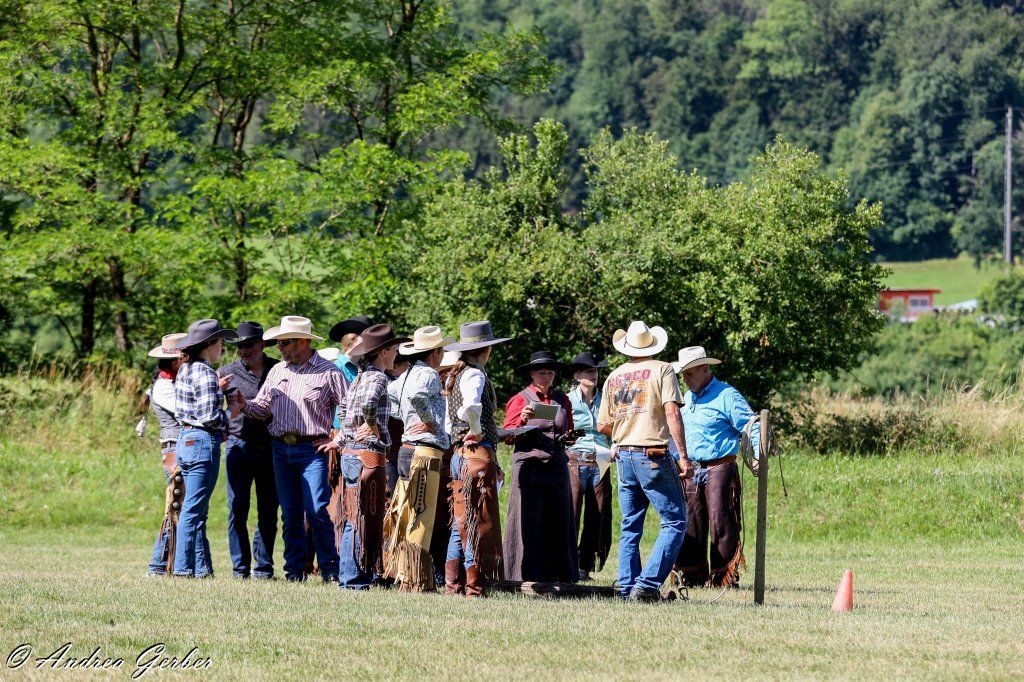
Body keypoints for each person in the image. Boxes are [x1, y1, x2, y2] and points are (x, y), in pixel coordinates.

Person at [232, 315, 346, 583]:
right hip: (280, 449)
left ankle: (330, 568)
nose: (280, 347)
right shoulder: (278, 371)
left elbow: (351, 409)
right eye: (279, 343)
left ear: (304, 341)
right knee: (291, 513)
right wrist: (244, 404)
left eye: (285, 342)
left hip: (312, 450)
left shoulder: (329, 372)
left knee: (317, 510)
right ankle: (294, 571)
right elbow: (262, 408)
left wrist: (339, 439)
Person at [596, 320, 692, 602]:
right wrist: (683, 456)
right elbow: (672, 412)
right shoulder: (662, 369)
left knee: (630, 524)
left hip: (623, 455)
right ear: (652, 344)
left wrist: (629, 430)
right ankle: (647, 585)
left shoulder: (613, 376)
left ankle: (627, 588)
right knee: (674, 521)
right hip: (652, 455)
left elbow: (603, 425)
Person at [670, 346, 760, 589]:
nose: (685, 378)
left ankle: (723, 577)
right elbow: (673, 432)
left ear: (705, 368)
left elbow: (753, 426)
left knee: (721, 521)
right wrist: (675, 457)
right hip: (689, 467)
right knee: (691, 521)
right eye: (683, 374)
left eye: (690, 373)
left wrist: (758, 457)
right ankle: (692, 576)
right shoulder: (684, 399)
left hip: (719, 466)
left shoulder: (727, 395)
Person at [334, 324, 409, 590]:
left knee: (354, 518)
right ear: (384, 351)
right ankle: (355, 580)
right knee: (362, 518)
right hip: (367, 453)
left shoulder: (360, 376)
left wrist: (349, 430)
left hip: (352, 451)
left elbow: (343, 407)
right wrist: (372, 423)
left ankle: (349, 578)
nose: (397, 354)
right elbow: (367, 404)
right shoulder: (376, 378)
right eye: (395, 350)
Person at [383, 325, 454, 592]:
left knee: (405, 513)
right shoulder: (428, 374)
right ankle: (413, 579)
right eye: (442, 349)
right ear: (435, 352)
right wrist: (427, 422)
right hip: (425, 451)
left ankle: (402, 572)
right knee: (421, 517)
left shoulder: (406, 374)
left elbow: (390, 399)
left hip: (406, 450)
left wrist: (407, 419)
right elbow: (416, 396)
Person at [443, 321, 509, 597]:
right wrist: (477, 430)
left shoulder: (455, 375)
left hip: (460, 454)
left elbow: (449, 425)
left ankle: (453, 586)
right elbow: (471, 407)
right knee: (477, 522)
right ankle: (474, 588)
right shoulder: (474, 375)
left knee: (461, 523)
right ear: (487, 349)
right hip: (476, 455)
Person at [502, 351, 578, 583]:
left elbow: (567, 431)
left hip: (556, 466)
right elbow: (507, 436)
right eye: (541, 372)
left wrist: (570, 438)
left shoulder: (563, 400)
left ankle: (559, 575)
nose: (546, 376)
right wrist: (522, 420)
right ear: (532, 374)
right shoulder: (520, 399)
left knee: (560, 520)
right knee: (526, 521)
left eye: (550, 372)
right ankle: (523, 575)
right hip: (530, 466)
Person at [172, 319, 237, 578]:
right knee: (194, 509)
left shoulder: (185, 370)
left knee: (195, 508)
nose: (222, 347)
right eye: (220, 342)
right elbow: (210, 416)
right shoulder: (206, 373)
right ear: (209, 344)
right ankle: (183, 569)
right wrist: (232, 412)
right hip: (202, 441)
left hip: (185, 440)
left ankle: (200, 569)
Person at [220, 322, 280, 580]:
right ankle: (240, 568)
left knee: (268, 510)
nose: (243, 351)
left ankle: (264, 567)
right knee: (238, 509)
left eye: (249, 345)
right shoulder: (226, 373)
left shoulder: (278, 369)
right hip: (238, 446)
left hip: (270, 447)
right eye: (239, 347)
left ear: (262, 345)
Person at [566, 351, 613, 581]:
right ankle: (568, 563)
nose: (592, 374)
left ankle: (584, 566)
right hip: (575, 458)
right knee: (572, 513)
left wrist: (614, 448)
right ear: (577, 376)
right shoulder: (568, 400)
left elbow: (615, 427)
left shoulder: (607, 399)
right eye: (587, 371)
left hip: (601, 459)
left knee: (598, 514)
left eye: (594, 370)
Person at [143, 332, 187, 577]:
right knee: (174, 507)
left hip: (176, 448)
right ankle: (158, 566)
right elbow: (185, 411)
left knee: (178, 507)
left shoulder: (168, 383)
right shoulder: (164, 386)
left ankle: (164, 565)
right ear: (175, 361)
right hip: (174, 450)